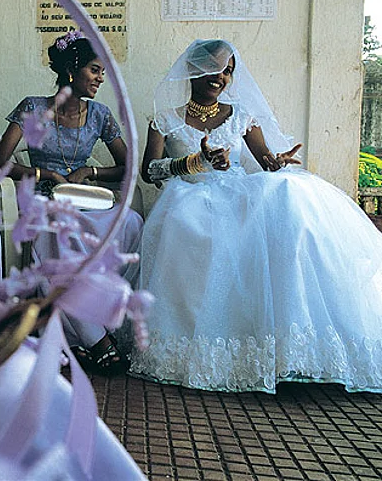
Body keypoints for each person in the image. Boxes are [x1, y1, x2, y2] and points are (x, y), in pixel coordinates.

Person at [130, 38, 382, 394]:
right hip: (190, 195)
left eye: (228, 71)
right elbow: (149, 171)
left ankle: (291, 348)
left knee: (287, 192)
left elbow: (265, 160)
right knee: (188, 222)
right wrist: (195, 162)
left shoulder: (241, 116)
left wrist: (277, 161)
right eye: (213, 68)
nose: (221, 77)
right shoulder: (164, 119)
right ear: (192, 70)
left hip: (235, 193)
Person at [0, 30, 144, 374]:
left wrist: (90, 171)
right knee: (54, 228)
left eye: (103, 72)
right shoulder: (34, 107)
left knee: (131, 221)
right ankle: (97, 340)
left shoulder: (100, 114)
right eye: (94, 70)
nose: (100, 79)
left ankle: (87, 327)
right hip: (44, 198)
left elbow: (129, 168)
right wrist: (45, 174)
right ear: (72, 70)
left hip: (87, 199)